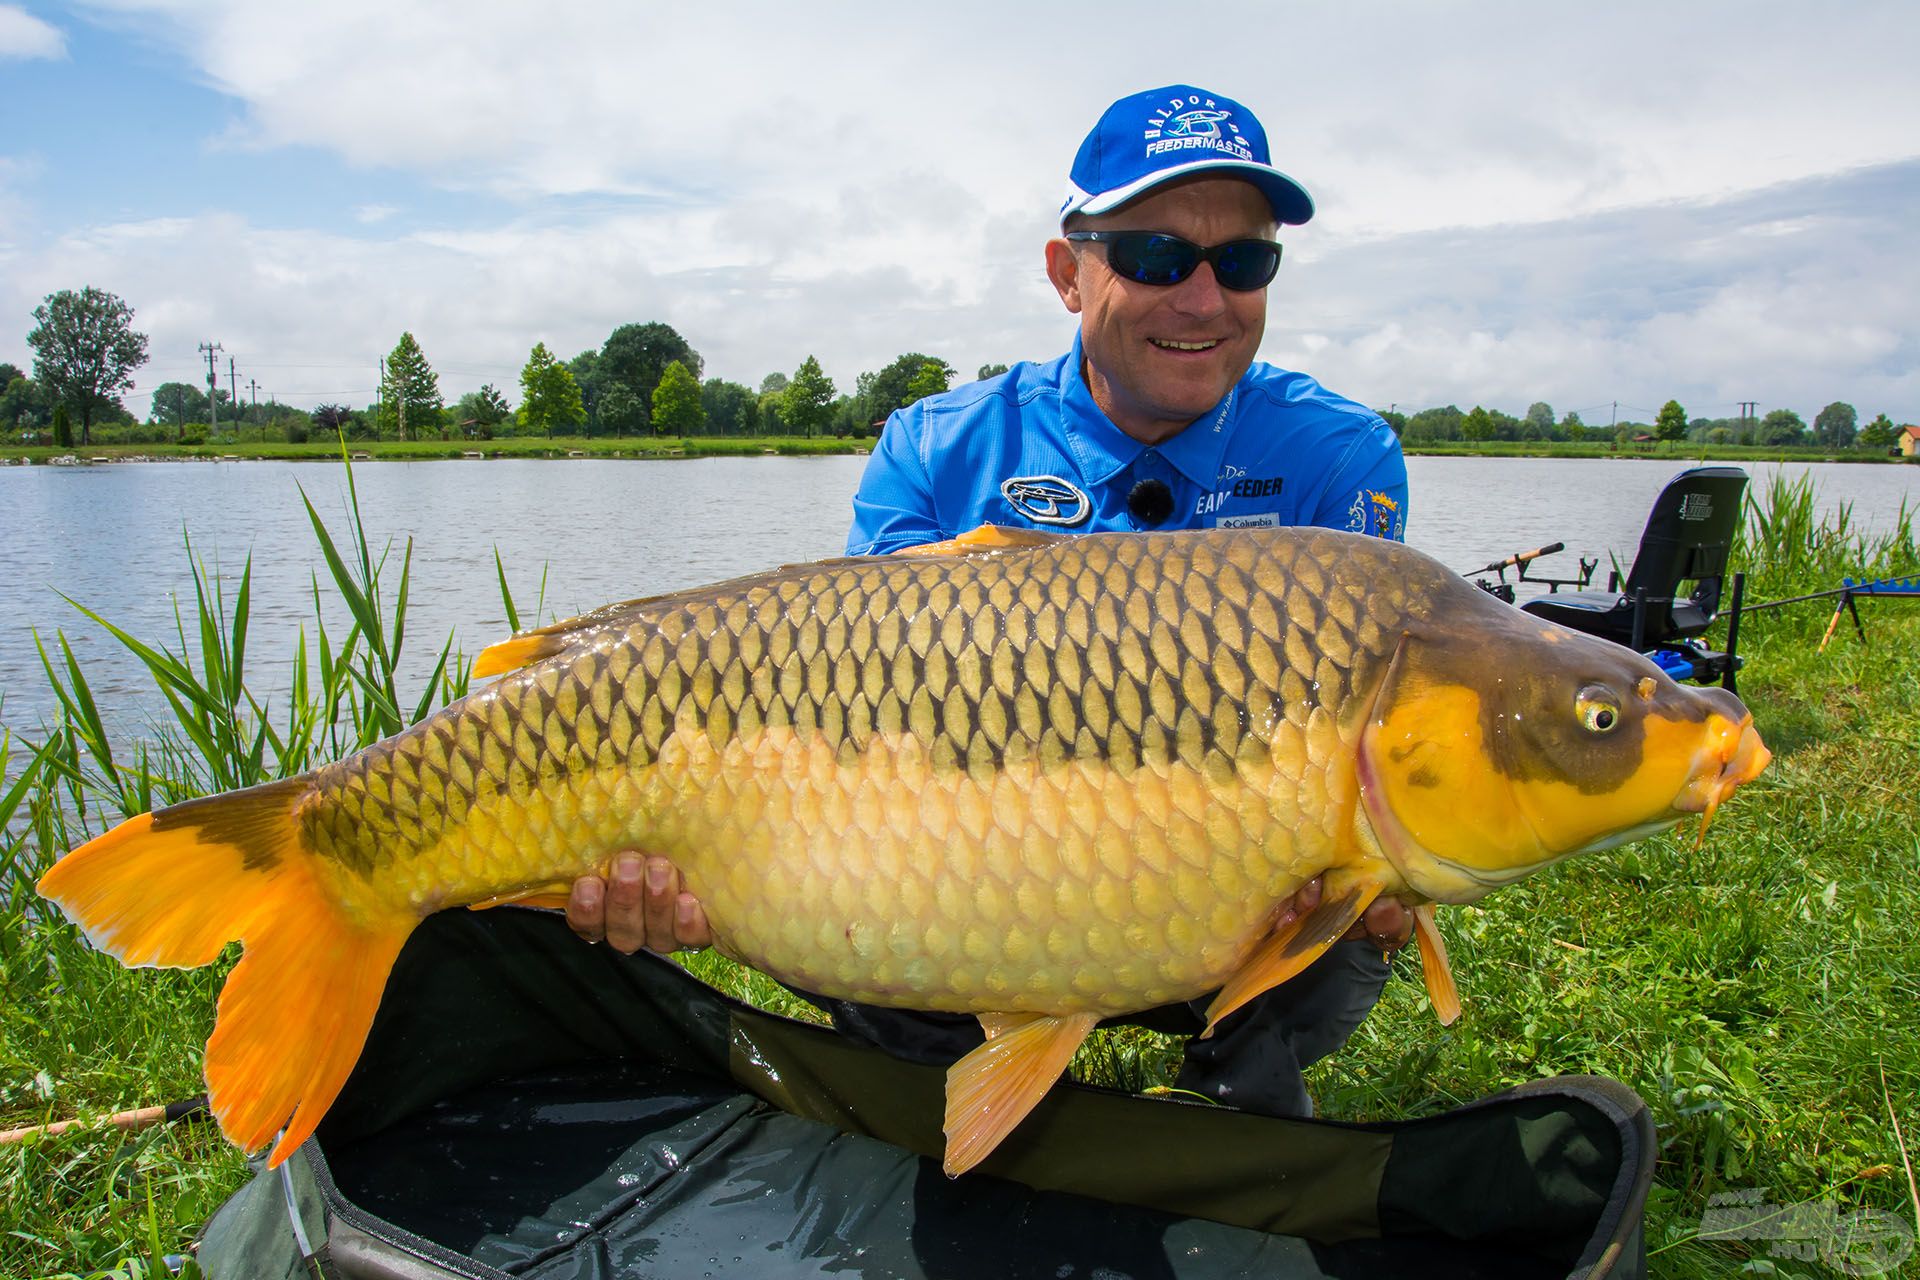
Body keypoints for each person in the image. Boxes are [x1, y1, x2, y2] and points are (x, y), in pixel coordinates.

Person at [568, 84, 1414, 1117]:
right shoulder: (935, 445)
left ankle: (1230, 1110)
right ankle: (940, 1091)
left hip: (1222, 887)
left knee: (1355, 896)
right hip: (969, 881)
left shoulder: (1339, 455)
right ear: (1069, 271)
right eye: (1154, 256)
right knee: (844, 884)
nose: (1203, 299)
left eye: (1242, 261)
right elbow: (856, 730)